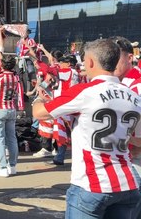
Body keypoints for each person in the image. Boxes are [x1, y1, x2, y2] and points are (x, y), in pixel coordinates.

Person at [33, 39, 141, 218]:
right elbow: (138, 142)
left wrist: (39, 98)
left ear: (91, 62)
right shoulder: (133, 96)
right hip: (128, 183)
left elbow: (40, 113)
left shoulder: (85, 91)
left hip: (92, 184)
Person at [0, 55, 24, 177]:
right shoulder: (15, 77)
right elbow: (19, 93)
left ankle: (2, 166)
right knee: (12, 138)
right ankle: (12, 166)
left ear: (2, 64)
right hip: (11, 109)